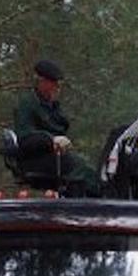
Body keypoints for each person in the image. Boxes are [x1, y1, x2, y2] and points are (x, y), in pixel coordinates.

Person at [13, 59, 101, 197]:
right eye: (54, 84)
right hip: (34, 160)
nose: (57, 88)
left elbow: (61, 126)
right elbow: (25, 138)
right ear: (43, 82)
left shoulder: (52, 106)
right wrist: (51, 140)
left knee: (90, 172)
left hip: (55, 157)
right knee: (78, 169)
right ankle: (77, 209)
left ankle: (100, 200)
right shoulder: (28, 104)